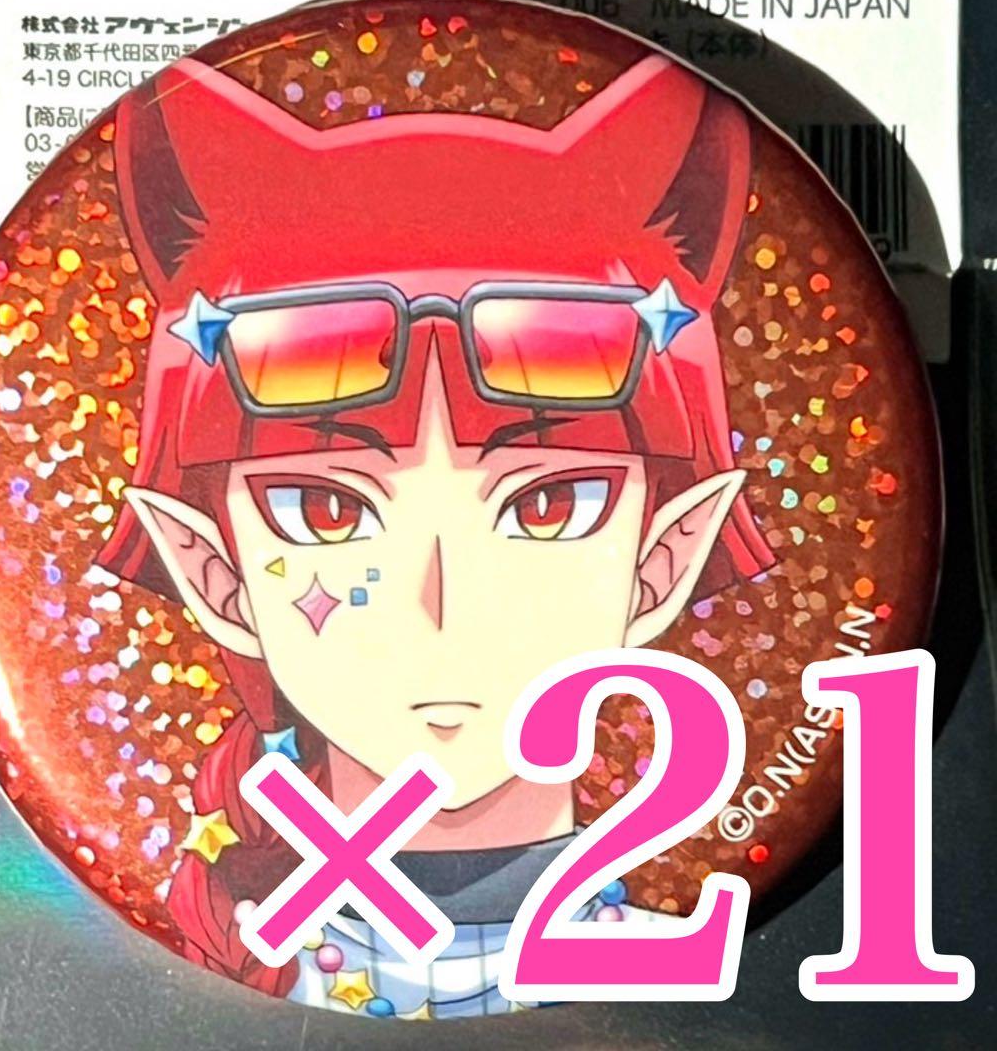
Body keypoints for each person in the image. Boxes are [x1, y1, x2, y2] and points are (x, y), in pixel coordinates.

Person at [98, 49, 772, 1018]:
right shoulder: (234, 942)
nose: (439, 602)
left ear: (665, 559)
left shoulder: (671, 951)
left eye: (546, 507)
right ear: (212, 571)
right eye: (328, 511)